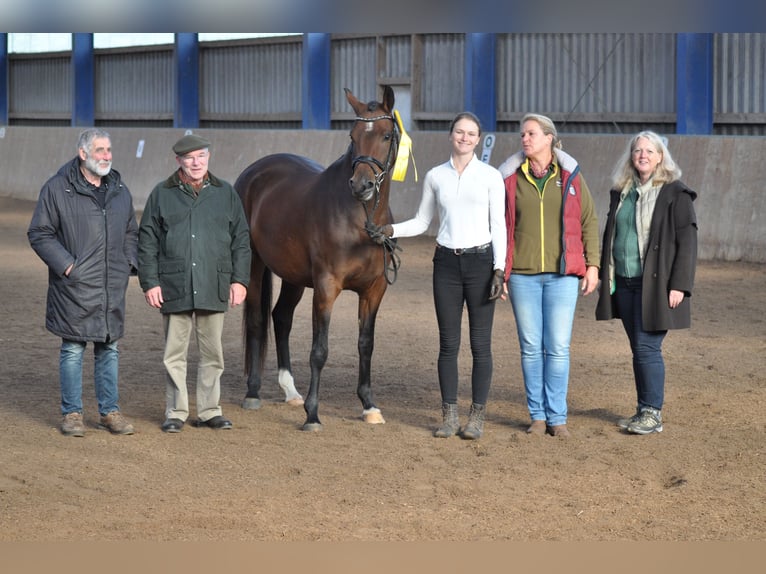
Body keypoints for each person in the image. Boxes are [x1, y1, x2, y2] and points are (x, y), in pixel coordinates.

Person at [367, 111, 506, 440]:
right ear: (451, 135)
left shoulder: (490, 177)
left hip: (481, 262)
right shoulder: (435, 176)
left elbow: (499, 225)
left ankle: (477, 416)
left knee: (480, 346)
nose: (465, 138)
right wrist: (390, 229)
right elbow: (422, 221)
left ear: (478, 138)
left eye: (471, 133)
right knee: (448, 344)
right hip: (445, 263)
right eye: (460, 132)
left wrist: (499, 268)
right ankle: (449, 414)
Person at [138, 134, 251, 433]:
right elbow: (146, 240)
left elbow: (241, 240)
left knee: (213, 353)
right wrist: (150, 282)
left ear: (208, 157)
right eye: (189, 158)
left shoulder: (226, 193)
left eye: (201, 156)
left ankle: (210, 410)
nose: (196, 162)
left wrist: (240, 280)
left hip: (214, 281)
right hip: (174, 283)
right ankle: (175, 412)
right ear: (178, 161)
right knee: (174, 353)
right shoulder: (161, 194)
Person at [28, 128, 138, 437]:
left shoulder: (120, 190)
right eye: (101, 150)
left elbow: (132, 231)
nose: (107, 156)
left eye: (109, 150)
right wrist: (67, 266)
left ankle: (109, 412)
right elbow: (39, 233)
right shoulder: (57, 189)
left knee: (109, 348)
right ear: (83, 154)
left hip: (110, 285)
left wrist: (127, 263)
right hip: (74, 287)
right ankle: (72, 413)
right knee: (73, 349)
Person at [497, 113, 600, 438]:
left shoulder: (570, 176)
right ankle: (537, 417)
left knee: (557, 347)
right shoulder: (510, 179)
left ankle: (558, 417)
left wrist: (593, 265)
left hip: (563, 275)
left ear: (549, 138)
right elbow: (497, 226)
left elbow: (589, 221)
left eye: (531, 134)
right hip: (522, 277)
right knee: (530, 347)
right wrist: (499, 270)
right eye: (522, 135)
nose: (524, 139)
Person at [596, 131, 697, 435]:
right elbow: (610, 235)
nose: (642, 155)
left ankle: (653, 412)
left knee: (647, 348)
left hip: (657, 286)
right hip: (625, 283)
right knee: (638, 348)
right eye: (637, 150)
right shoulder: (622, 191)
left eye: (649, 151)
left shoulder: (675, 193)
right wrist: (607, 275)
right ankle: (644, 410)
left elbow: (688, 242)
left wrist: (678, 284)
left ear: (660, 157)